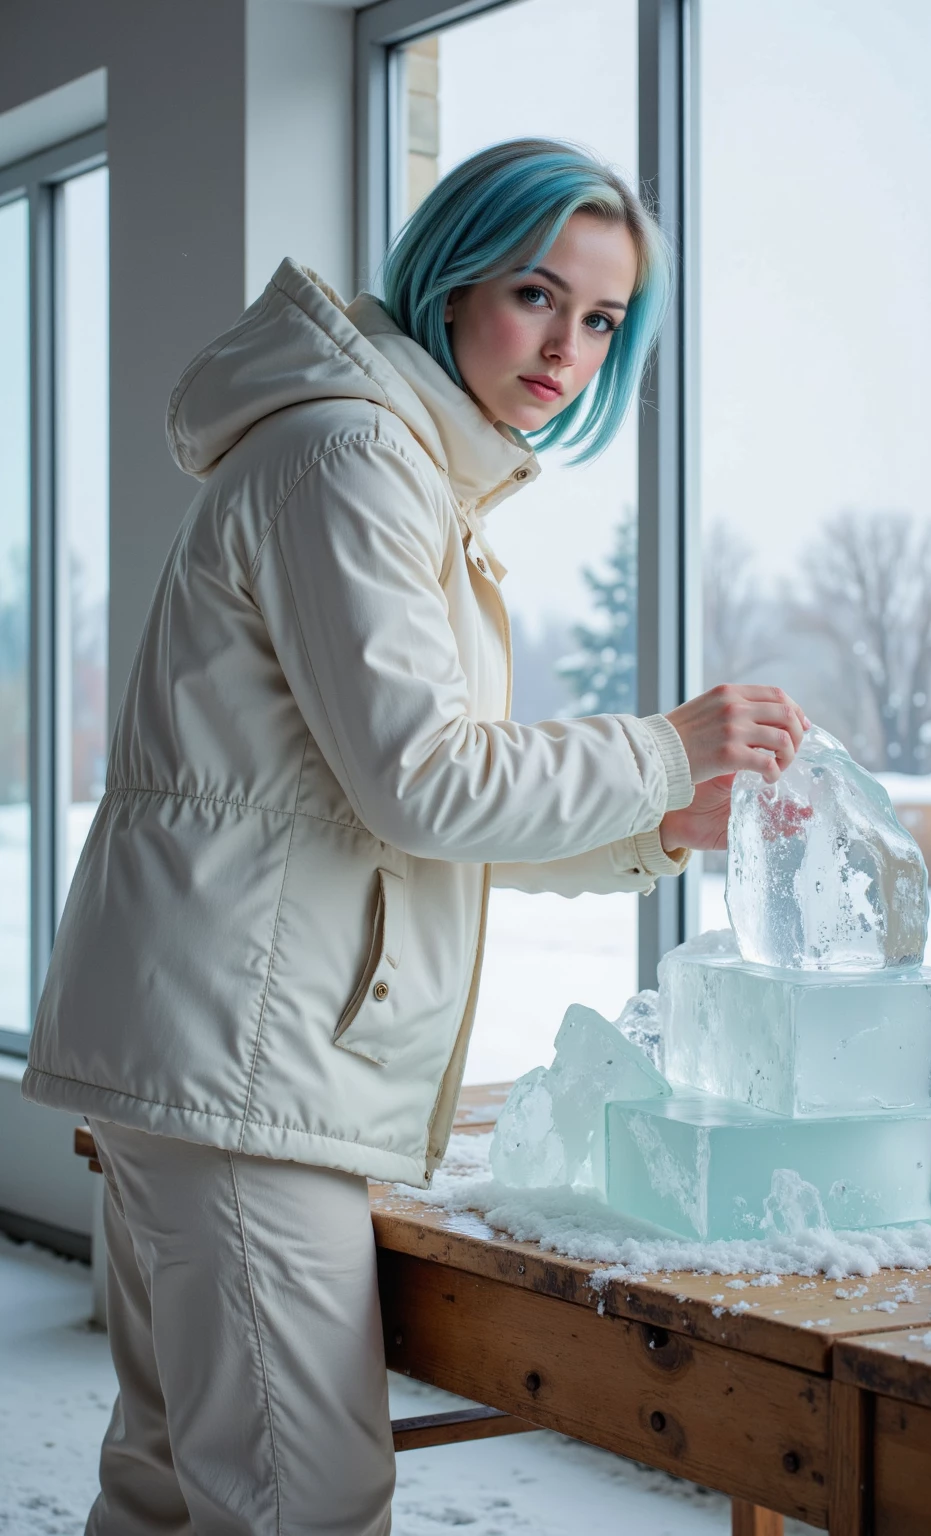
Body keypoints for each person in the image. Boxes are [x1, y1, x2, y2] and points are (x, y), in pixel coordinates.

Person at [22, 138, 808, 1534]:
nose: (567, 345)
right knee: (296, 1496)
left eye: (604, 318)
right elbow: (425, 785)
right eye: (535, 294)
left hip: (214, 1047)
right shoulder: (352, 456)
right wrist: (664, 744)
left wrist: (659, 822)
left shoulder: (383, 461)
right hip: (245, 1060)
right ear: (450, 282)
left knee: (172, 1484)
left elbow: (398, 811)